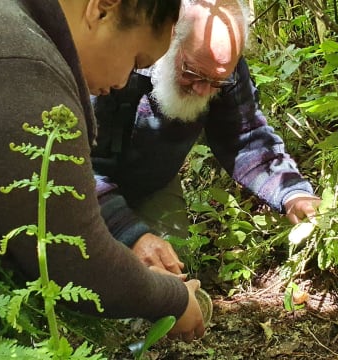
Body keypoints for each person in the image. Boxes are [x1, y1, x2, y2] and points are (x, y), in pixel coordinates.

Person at [0, 0, 206, 358]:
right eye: (136, 59)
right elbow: (74, 257)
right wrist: (173, 299)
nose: (124, 81)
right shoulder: (13, 63)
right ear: (102, 9)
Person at [92, 0, 321, 275]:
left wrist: (293, 194)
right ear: (170, 38)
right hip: (86, 181)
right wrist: (130, 233)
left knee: (171, 267)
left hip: (152, 181)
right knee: (91, 267)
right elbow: (76, 168)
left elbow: (245, 139)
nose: (203, 90)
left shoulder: (221, 71)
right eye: (192, 73)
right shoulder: (114, 62)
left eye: (216, 82)